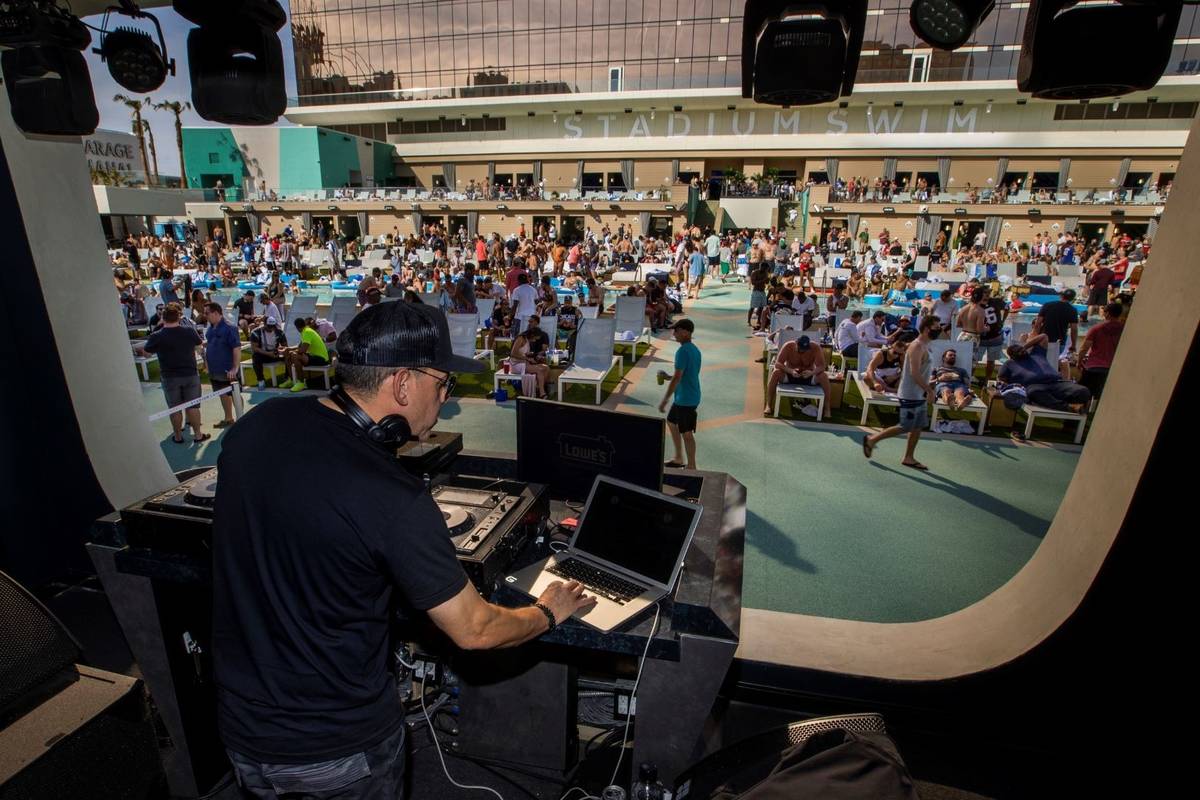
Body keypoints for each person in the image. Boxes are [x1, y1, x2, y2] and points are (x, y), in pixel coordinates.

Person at [213, 302, 595, 799]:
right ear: (402, 384)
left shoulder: (257, 425)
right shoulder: (391, 494)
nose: (445, 402)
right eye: (442, 386)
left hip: (241, 730)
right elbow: (475, 631)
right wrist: (549, 611)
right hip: (337, 749)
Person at [862, 317, 940, 470]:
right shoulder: (917, 346)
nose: (939, 330)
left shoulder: (925, 345)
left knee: (918, 426)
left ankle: (909, 457)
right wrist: (929, 390)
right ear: (926, 329)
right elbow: (914, 372)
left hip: (918, 393)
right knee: (905, 426)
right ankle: (871, 440)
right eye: (936, 327)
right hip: (910, 393)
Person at [136, 304, 208, 444]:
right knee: (193, 406)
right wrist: (205, 362)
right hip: (190, 374)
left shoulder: (157, 335)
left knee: (174, 408)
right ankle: (198, 435)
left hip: (170, 377)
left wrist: (142, 351)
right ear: (179, 317)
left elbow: (147, 354)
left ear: (163, 318)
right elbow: (199, 347)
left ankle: (178, 436)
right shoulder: (189, 331)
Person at [999, 330, 1092, 436]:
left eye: (1019, 348)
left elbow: (1044, 336)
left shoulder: (1037, 354)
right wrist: (1013, 386)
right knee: (1034, 392)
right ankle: (1069, 407)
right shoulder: (1010, 364)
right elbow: (1001, 379)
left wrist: (1025, 346)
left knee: (1083, 391)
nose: (1019, 350)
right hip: (1035, 387)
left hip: (1057, 383)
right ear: (1012, 356)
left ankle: (1071, 427)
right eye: (1015, 350)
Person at [659, 319, 701, 469]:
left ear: (685, 332)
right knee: (671, 422)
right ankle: (678, 458)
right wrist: (668, 377)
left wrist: (664, 400)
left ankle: (691, 466)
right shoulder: (694, 349)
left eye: (676, 331)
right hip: (687, 396)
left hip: (686, 399)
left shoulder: (682, 352)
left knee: (687, 433)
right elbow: (683, 374)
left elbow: (678, 378)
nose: (674, 334)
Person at [764, 334, 832, 419]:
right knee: (776, 373)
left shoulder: (815, 348)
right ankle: (768, 405)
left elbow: (822, 366)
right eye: (800, 349)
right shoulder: (788, 346)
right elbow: (778, 364)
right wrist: (791, 371)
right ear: (796, 343)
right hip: (790, 375)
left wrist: (811, 373)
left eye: (804, 350)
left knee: (824, 376)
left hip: (807, 376)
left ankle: (827, 409)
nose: (802, 351)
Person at [203, 302, 242, 429]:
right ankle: (228, 418)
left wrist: (234, 368)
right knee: (222, 393)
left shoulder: (229, 328)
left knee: (234, 393)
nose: (205, 316)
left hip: (227, 369)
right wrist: (207, 364)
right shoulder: (210, 328)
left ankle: (242, 418)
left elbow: (236, 348)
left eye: (207, 313)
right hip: (215, 369)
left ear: (215, 313)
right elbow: (210, 345)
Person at [1076, 301, 1125, 400]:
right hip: (1113, 367)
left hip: (1094, 366)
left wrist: (1079, 361)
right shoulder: (1124, 329)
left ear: (1107, 313)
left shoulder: (1096, 329)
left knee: (1085, 394)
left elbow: (1084, 348)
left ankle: (1084, 411)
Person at [279, 317, 330, 393]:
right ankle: (292, 380)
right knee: (289, 354)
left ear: (296, 327)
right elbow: (299, 346)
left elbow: (303, 350)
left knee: (294, 355)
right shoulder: (305, 331)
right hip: (315, 357)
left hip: (322, 359)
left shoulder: (307, 332)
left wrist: (292, 352)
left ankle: (301, 382)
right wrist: (287, 349)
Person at [511, 314, 551, 398]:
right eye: (535, 338)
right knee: (539, 370)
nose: (535, 340)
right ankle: (542, 393)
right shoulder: (521, 339)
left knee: (546, 368)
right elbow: (513, 354)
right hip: (516, 364)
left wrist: (528, 355)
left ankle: (538, 388)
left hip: (524, 362)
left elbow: (522, 353)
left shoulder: (527, 340)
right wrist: (527, 358)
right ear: (532, 335)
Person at [248, 316, 287, 389]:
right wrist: (268, 353)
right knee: (255, 357)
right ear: (264, 324)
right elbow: (255, 348)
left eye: (273, 326)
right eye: (269, 326)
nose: (271, 328)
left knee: (288, 355)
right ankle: (261, 380)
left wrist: (280, 351)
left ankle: (288, 377)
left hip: (275, 353)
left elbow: (285, 346)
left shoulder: (279, 332)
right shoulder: (256, 333)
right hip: (263, 354)